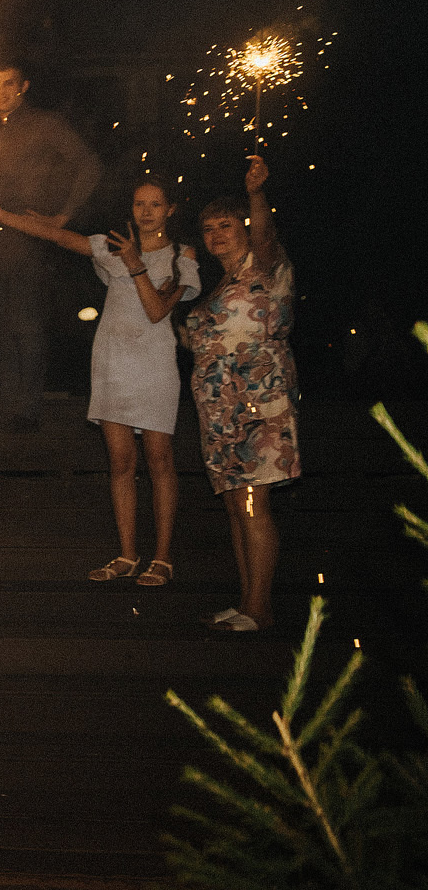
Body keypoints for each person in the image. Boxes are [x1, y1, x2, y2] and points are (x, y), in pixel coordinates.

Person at [0, 180, 201, 584]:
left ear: (170, 210)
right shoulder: (113, 247)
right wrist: (2, 215)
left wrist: (135, 263)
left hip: (153, 365)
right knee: (121, 462)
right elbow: (59, 236)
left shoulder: (181, 256)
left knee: (159, 460)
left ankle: (163, 556)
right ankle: (127, 554)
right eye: (139, 203)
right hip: (112, 361)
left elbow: (156, 311)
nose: (146, 211)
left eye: (155, 205)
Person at [181, 156, 296, 633]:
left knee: (252, 503)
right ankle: (247, 600)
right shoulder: (218, 288)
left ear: (245, 228)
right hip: (219, 412)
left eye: (226, 225)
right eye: (209, 229)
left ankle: (260, 609)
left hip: (257, 405)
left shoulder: (265, 266)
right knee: (236, 504)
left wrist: (255, 194)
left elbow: (265, 235)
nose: (216, 235)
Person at [0, 61, 102, 429]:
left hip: (27, 237)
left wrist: (63, 216)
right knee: (1, 328)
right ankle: (11, 406)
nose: (1, 93)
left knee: (27, 325)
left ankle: (27, 409)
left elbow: (89, 164)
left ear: (23, 86)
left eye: (8, 84)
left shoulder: (45, 124)